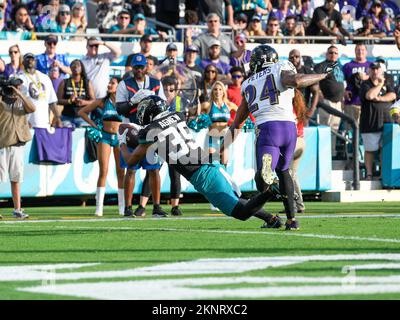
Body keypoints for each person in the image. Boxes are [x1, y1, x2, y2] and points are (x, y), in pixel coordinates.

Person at [119, 95, 282, 228]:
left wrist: (122, 142)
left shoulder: (149, 131)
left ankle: (270, 191)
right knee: (236, 200)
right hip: (210, 164)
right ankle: (271, 219)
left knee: (240, 213)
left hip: (201, 175)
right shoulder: (177, 116)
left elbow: (131, 160)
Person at [224, 44, 337, 230]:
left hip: (268, 129)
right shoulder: (280, 67)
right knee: (284, 171)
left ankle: (272, 187)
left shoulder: (248, 83)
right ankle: (292, 220)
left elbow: (237, 123)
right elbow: (297, 81)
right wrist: (324, 75)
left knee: (262, 179)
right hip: (290, 129)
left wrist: (223, 146)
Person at [115, 54, 168, 218]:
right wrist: (132, 102)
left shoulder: (155, 83)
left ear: (146, 67)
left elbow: (164, 106)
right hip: (132, 129)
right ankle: (128, 207)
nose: (139, 70)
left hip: (150, 128)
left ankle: (157, 206)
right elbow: (119, 109)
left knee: (153, 170)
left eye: (141, 67)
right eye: (136, 67)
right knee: (130, 169)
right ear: (131, 68)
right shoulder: (124, 84)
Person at [78, 77, 125, 216]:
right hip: (104, 137)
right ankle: (99, 208)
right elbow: (82, 112)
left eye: (112, 83)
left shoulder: (124, 103)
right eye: (109, 82)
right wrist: (93, 125)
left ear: (119, 86)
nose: (109, 85)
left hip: (119, 138)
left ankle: (122, 207)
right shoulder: (103, 102)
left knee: (121, 172)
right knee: (103, 171)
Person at [0, 76, 35, 219]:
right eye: (16, 86)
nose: (18, 88)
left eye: (18, 86)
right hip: (2, 143)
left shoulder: (22, 99)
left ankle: (17, 209)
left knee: (16, 178)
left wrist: (20, 94)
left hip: (18, 143)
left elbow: (32, 108)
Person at [359, 62, 396, 180]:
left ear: (381, 70)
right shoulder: (365, 84)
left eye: (377, 69)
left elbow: (393, 95)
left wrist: (379, 98)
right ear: (369, 71)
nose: (375, 71)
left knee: (384, 150)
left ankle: (383, 174)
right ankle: (369, 174)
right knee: (370, 150)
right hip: (370, 123)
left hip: (386, 122)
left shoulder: (388, 82)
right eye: (373, 69)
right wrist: (380, 85)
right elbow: (369, 96)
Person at [314, 45, 345, 157]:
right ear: (327, 54)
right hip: (326, 102)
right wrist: (319, 93)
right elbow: (315, 80)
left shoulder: (339, 66)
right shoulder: (321, 66)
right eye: (331, 52)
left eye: (335, 53)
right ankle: (323, 155)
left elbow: (340, 83)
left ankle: (331, 154)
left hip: (338, 103)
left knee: (334, 130)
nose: (333, 55)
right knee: (324, 129)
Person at [18, 53, 62, 129]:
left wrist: (58, 118)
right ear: (23, 63)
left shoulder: (45, 78)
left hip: (44, 123)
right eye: (27, 59)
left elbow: (52, 101)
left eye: (32, 59)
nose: (30, 61)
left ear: (36, 61)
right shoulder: (19, 78)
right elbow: (17, 104)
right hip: (27, 125)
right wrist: (22, 121)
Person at [201, 81, 237, 166]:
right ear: (212, 91)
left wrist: (235, 123)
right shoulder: (207, 105)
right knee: (213, 163)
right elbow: (192, 111)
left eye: (220, 89)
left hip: (224, 138)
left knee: (224, 163)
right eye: (215, 89)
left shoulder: (229, 105)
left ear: (223, 92)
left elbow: (242, 113)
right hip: (211, 137)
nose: (218, 91)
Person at [57, 59, 96, 128]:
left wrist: (84, 102)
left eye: (78, 65)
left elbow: (94, 101)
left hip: (83, 117)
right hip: (67, 117)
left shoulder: (87, 83)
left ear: (82, 68)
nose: (75, 67)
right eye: (73, 65)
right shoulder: (64, 82)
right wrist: (69, 101)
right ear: (70, 68)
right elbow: (58, 100)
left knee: (84, 137)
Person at [342, 43, 371, 131]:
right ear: (355, 51)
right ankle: (350, 145)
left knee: (365, 129)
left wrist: (366, 77)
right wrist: (344, 91)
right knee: (350, 130)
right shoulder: (348, 66)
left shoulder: (371, 65)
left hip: (366, 104)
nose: (360, 52)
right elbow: (340, 80)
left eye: (362, 50)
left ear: (366, 52)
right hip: (352, 102)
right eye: (358, 50)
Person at [288, 49, 320, 121]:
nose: (294, 59)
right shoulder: (284, 72)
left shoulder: (308, 72)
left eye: (297, 56)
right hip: (287, 109)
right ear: (288, 59)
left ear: (300, 58)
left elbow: (315, 92)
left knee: (302, 132)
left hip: (302, 109)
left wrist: (311, 111)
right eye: (291, 57)